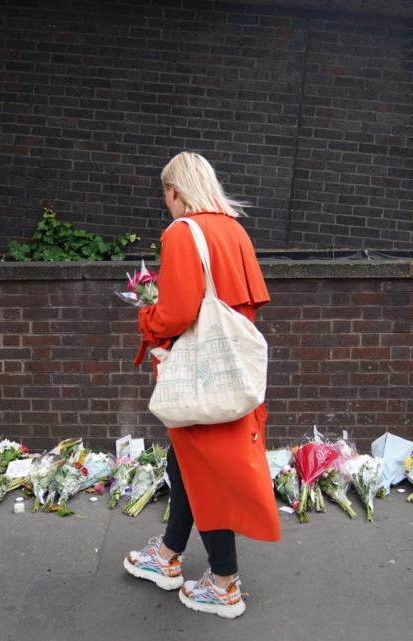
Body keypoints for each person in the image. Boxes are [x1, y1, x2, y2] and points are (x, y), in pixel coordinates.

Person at [124, 152, 280, 619]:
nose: (166, 204)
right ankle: (169, 555)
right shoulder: (235, 230)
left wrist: (146, 316)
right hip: (233, 372)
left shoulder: (183, 232)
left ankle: (224, 583)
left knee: (205, 470)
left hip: (201, 375)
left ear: (175, 190)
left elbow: (176, 313)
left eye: (165, 194)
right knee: (189, 462)